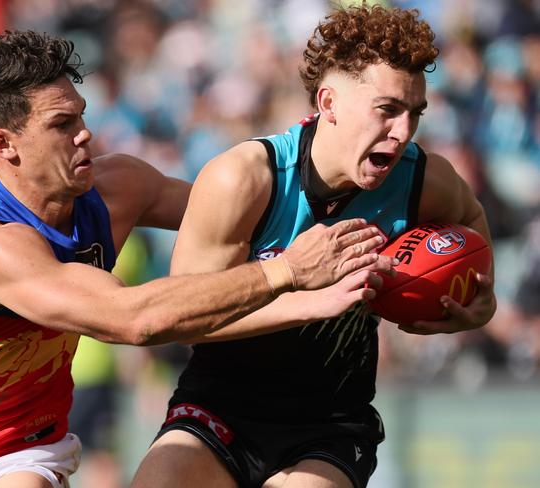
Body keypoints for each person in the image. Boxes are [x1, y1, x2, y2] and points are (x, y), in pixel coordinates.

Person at [0, 30, 395, 488]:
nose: (85, 133)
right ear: (5, 145)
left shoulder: (119, 187)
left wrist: (382, 210)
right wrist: (287, 271)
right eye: (62, 124)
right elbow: (135, 318)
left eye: (82, 115)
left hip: (23, 455)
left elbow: (247, 211)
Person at [131, 6, 497, 488]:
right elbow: (185, 322)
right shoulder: (243, 178)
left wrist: (477, 304)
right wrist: (302, 294)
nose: (404, 132)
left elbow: (473, 233)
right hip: (218, 409)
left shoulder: (423, 180)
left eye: (415, 114)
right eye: (387, 110)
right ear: (328, 103)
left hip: (331, 423)